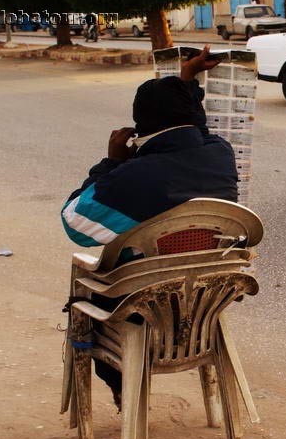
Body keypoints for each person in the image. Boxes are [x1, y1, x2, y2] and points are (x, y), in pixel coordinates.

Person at [61, 46, 238, 403]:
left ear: (141, 127)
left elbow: (75, 223)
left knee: (88, 286)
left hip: (144, 309)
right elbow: (195, 128)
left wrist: (111, 163)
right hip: (205, 302)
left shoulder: (136, 176)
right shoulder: (221, 153)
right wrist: (187, 78)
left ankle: (123, 392)